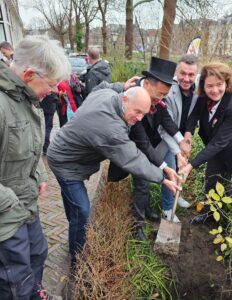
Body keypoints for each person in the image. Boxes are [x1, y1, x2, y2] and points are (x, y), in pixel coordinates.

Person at [47, 86, 181, 267]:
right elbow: (133, 158)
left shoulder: (109, 95)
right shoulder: (111, 129)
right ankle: (77, 259)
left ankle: (76, 229)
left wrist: (122, 86)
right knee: (82, 210)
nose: (140, 118)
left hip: (66, 152)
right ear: (125, 101)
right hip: (66, 164)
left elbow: (102, 86)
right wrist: (162, 178)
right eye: (137, 111)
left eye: (144, 113)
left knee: (75, 205)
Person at [0, 35, 70, 299]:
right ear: (29, 74)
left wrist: (39, 172)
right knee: (14, 279)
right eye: (50, 84)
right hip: (6, 215)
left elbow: (29, 146)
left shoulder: (26, 99)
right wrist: (9, 203)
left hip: (26, 204)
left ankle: (35, 294)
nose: (52, 90)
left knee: (38, 253)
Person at [103, 57, 190, 240]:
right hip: (135, 148)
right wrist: (165, 167)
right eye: (159, 94)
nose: (160, 99)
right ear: (148, 84)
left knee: (148, 181)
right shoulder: (134, 99)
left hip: (150, 145)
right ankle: (138, 225)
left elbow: (166, 121)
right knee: (141, 184)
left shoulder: (158, 99)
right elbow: (142, 143)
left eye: (164, 96)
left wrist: (181, 142)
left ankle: (146, 208)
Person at [180, 62, 232, 218]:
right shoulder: (203, 97)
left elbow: (219, 142)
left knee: (231, 187)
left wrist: (190, 166)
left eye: (219, 84)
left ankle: (226, 223)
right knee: (211, 179)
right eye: (210, 86)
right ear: (203, 86)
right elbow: (194, 116)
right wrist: (188, 134)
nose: (215, 90)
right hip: (218, 148)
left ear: (227, 83)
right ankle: (209, 215)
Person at [158, 54, 199, 218]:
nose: (186, 79)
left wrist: (187, 138)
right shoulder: (168, 90)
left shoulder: (198, 90)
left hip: (183, 138)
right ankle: (167, 209)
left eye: (191, 75)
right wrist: (178, 149)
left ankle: (177, 195)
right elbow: (163, 126)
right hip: (166, 139)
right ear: (177, 72)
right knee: (172, 171)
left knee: (181, 169)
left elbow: (193, 117)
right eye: (183, 73)